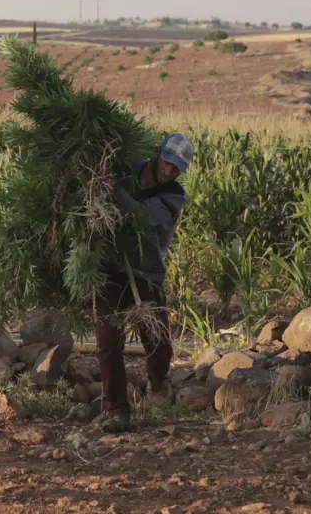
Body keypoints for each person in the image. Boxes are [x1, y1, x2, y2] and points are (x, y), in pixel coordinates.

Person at [96, 132, 194, 433]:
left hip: (146, 271)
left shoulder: (174, 195)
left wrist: (111, 190)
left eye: (176, 168)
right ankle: (117, 409)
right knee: (108, 340)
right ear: (156, 152)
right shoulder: (127, 169)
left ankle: (157, 384)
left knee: (158, 343)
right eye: (167, 162)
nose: (169, 172)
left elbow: (140, 216)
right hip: (112, 267)